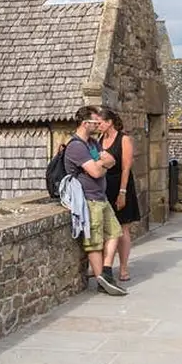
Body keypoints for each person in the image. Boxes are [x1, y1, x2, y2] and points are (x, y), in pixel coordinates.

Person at [63, 105, 127, 296]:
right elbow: (97, 170)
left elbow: (112, 160)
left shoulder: (93, 143)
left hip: (101, 197)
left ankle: (105, 273)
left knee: (115, 232)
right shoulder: (76, 146)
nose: (98, 125)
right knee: (94, 242)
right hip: (88, 200)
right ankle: (102, 281)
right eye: (95, 122)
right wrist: (101, 164)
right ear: (84, 124)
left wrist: (100, 164)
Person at [98, 107, 141, 282]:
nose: (98, 125)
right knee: (104, 228)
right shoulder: (100, 139)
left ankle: (123, 268)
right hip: (104, 186)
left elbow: (126, 167)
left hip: (121, 185)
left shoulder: (124, 139)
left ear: (109, 123)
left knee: (123, 228)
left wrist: (122, 193)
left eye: (100, 122)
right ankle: (102, 265)